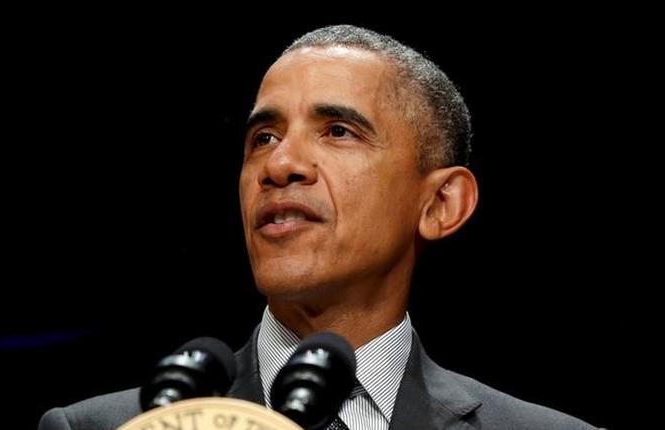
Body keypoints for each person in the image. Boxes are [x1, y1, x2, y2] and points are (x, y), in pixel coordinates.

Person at [39, 25, 600, 430]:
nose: (280, 165)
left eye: (337, 131)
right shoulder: (107, 426)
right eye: (263, 137)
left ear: (440, 204)